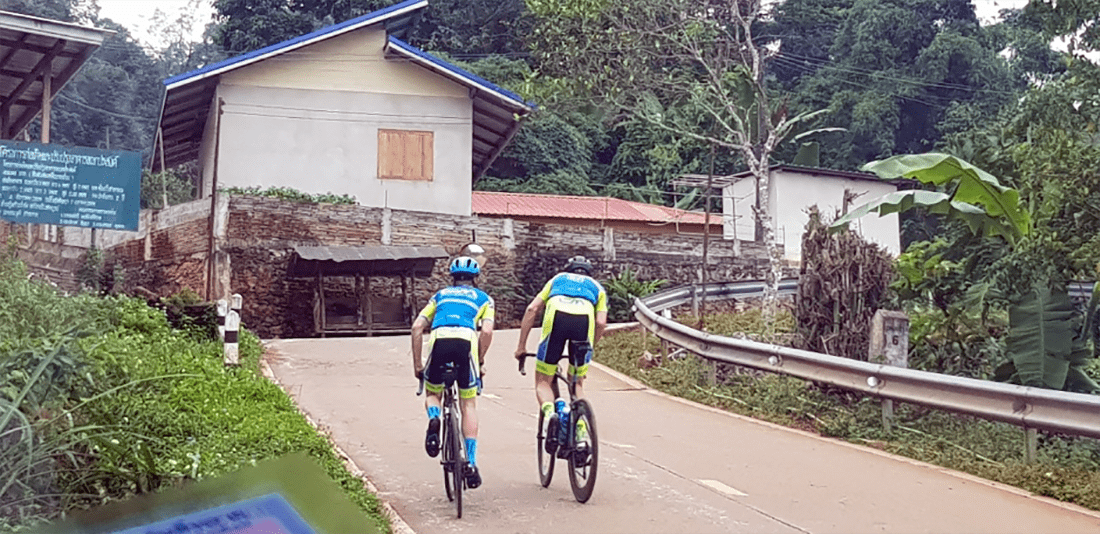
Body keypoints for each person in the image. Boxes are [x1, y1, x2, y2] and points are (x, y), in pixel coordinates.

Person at [412, 256, 495, 489]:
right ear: (475, 278)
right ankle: (470, 461)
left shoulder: (440, 296)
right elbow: (486, 331)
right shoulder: (484, 298)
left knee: (433, 393)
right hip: (466, 342)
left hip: (440, 339)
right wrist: (479, 361)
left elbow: (417, 327)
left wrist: (418, 366)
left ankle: (434, 418)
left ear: (452, 278)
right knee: (468, 405)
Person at [513, 255, 607, 453]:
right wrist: (589, 350)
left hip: (556, 319)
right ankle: (581, 433)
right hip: (584, 324)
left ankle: (550, 415)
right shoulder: (597, 288)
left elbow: (532, 309)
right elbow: (600, 323)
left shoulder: (557, 279)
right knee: (577, 384)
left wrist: (521, 346)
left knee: (543, 381)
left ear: (569, 269)